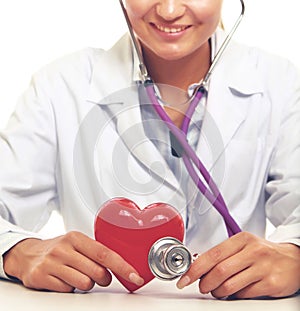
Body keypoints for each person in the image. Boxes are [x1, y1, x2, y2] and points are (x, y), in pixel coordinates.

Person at [0, 0, 299, 299]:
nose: (169, 11)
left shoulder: (280, 83)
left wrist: (296, 255)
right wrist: (13, 251)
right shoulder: (59, 87)